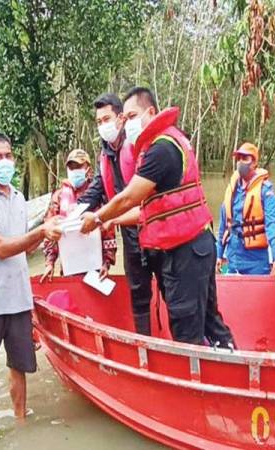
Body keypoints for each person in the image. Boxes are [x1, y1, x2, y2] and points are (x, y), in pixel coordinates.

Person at [81, 87, 234, 347]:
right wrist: (107, 219)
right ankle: (230, 370)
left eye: (131, 116)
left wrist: (96, 219)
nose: (127, 124)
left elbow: (129, 198)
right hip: (193, 246)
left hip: (186, 250)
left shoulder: (161, 149)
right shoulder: (162, 144)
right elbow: (147, 209)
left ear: (150, 112)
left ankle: (197, 384)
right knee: (209, 320)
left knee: (187, 329)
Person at [0, 132, 61, 439]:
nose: (5, 162)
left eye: (9, 156)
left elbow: (24, 250)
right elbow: (3, 248)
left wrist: (52, 235)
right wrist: (41, 232)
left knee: (19, 367)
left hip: (18, 300)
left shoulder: (19, 199)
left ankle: (21, 425)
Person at [78, 93, 164, 336]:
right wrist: (72, 216)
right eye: (98, 122)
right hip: (129, 235)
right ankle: (144, 345)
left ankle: (172, 343)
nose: (102, 126)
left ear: (121, 119)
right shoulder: (105, 154)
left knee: (169, 287)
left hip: (154, 228)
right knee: (137, 292)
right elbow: (95, 190)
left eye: (107, 119)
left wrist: (102, 219)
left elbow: (136, 196)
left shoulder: (139, 145)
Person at [40, 148, 117, 283]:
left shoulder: (97, 194)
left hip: (95, 264)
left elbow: (107, 228)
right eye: (72, 167)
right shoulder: (59, 196)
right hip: (70, 265)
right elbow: (50, 230)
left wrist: (107, 260)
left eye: (79, 166)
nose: (75, 170)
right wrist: (49, 262)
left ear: (88, 168)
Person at [216, 142, 275, 275]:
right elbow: (224, 226)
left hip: (256, 262)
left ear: (254, 163)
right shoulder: (232, 190)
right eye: (238, 158)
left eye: (245, 158)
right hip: (233, 259)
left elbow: (273, 226)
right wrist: (218, 255)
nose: (240, 162)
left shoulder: (265, 191)